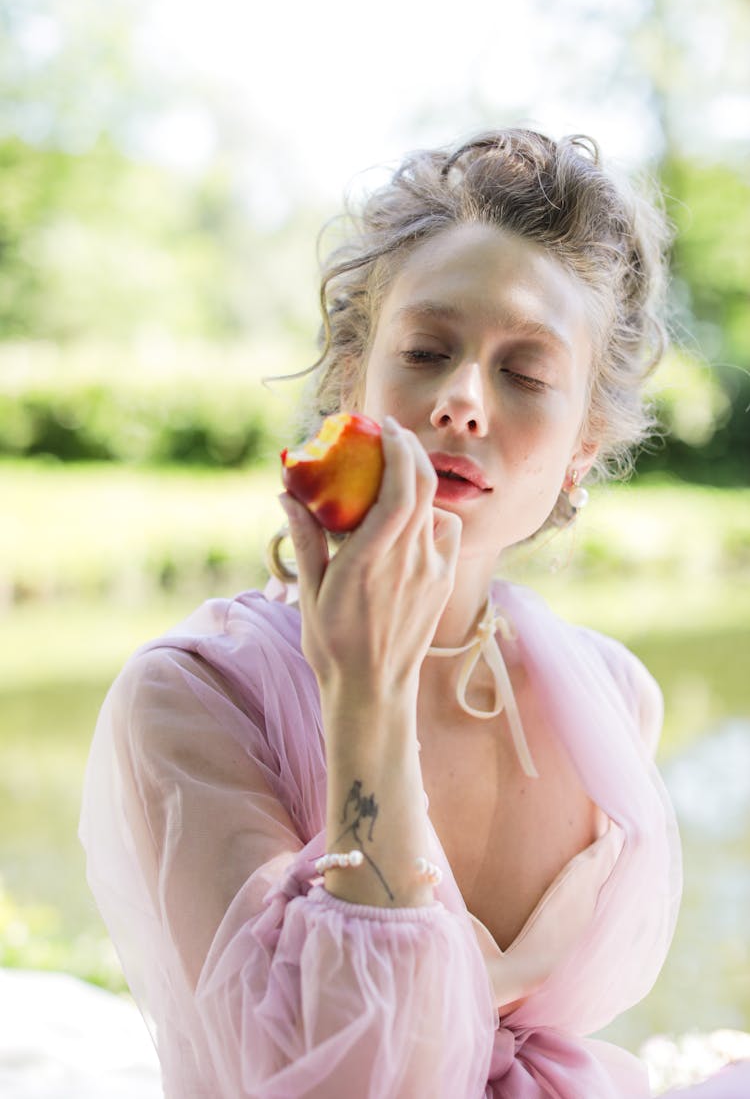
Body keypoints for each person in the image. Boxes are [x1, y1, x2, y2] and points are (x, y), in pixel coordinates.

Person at [78, 129, 746, 1098]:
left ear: (582, 449)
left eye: (525, 372)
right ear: (354, 387)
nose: (464, 402)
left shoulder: (612, 697)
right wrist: (366, 701)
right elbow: (330, 1078)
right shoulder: (191, 698)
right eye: (428, 351)